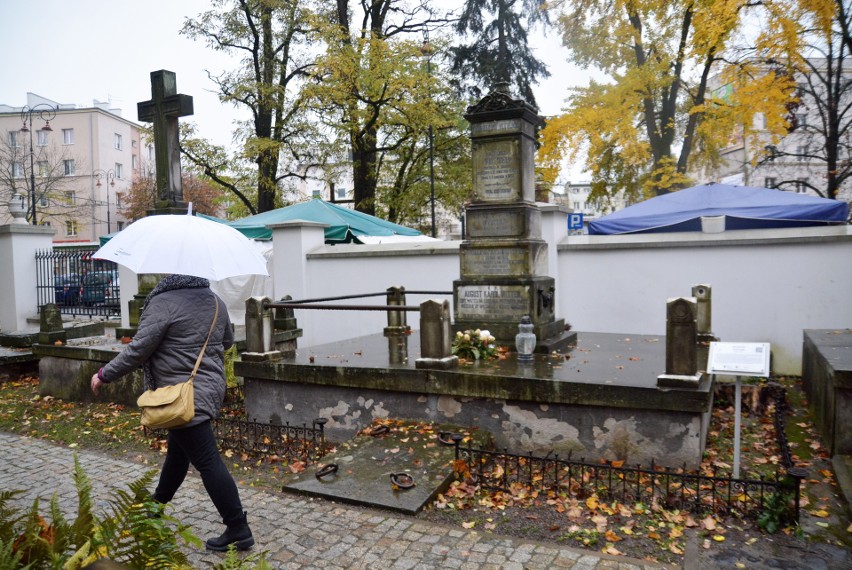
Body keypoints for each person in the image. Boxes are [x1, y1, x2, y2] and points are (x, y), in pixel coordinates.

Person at [90, 274, 254, 552]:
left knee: (207, 461)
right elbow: (226, 342)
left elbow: (139, 349)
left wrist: (105, 374)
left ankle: (238, 526)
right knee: (178, 454)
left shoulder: (163, 302)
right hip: (208, 388)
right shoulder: (216, 301)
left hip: (181, 393)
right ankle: (155, 507)